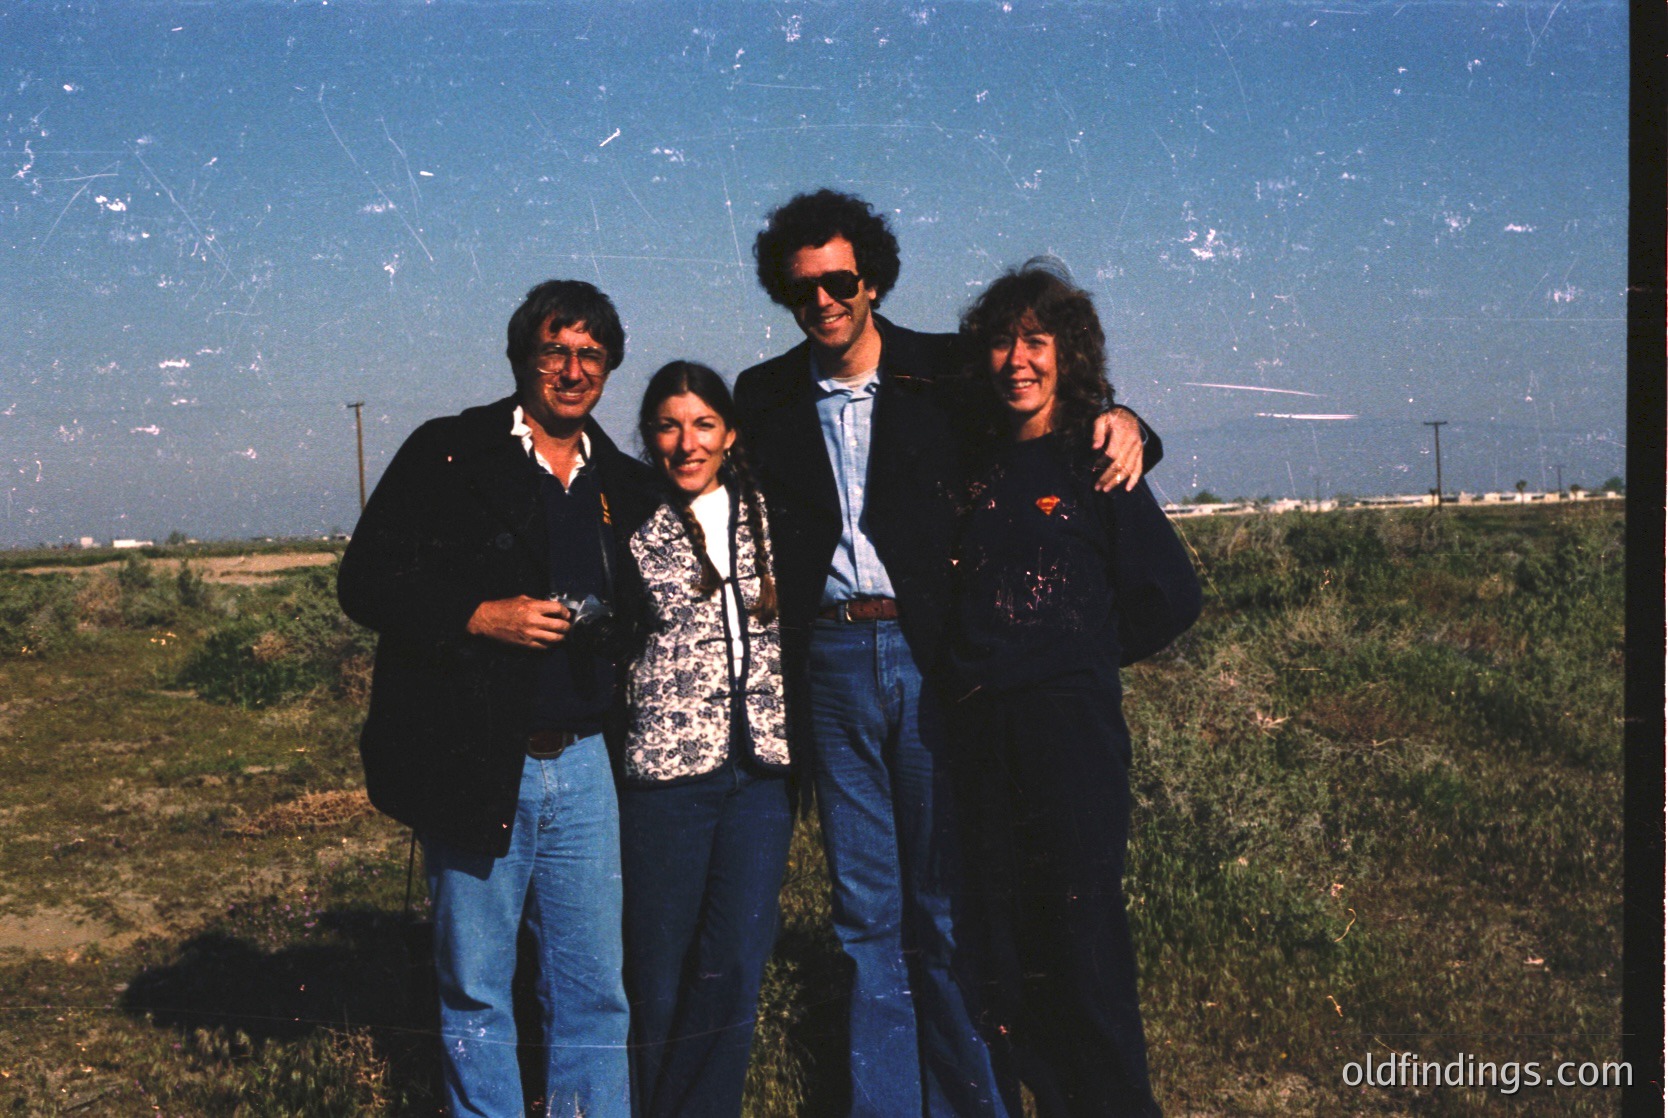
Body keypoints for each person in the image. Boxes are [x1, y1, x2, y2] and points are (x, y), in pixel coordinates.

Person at [732, 189, 1161, 1118]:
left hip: (932, 661)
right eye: (804, 288)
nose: (825, 301)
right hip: (831, 665)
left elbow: (1046, 397)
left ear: (874, 281)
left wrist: (1130, 424)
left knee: (944, 904)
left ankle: (975, 1104)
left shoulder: (942, 373)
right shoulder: (763, 397)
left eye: (841, 281)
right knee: (864, 915)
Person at [338, 280, 660, 1118]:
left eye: (591, 354)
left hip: (586, 768)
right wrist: (481, 616)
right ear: (521, 357)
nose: (572, 368)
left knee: (594, 992)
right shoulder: (449, 451)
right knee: (477, 991)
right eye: (554, 349)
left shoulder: (621, 481)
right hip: (479, 759)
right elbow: (366, 581)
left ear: (609, 368)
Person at [947, 261, 1202, 1118]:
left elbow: (1172, 594)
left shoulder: (1096, 456)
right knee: (1011, 953)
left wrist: (1080, 657)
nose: (1017, 359)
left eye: (1036, 341)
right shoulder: (974, 462)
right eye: (1001, 341)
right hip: (984, 739)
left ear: (1069, 354)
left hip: (1071, 735)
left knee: (1084, 945)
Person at [615, 361, 794, 1118]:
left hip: (761, 778)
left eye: (703, 424)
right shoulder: (625, 516)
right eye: (667, 425)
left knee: (733, 964)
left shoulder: (773, 511)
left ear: (730, 433)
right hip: (665, 783)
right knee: (657, 973)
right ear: (649, 436)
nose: (687, 443)